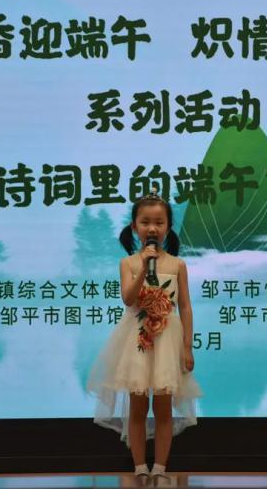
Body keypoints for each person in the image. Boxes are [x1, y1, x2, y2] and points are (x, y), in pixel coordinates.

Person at [86, 188, 202, 485]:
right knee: (137, 406)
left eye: (159, 222)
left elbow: (185, 307)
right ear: (134, 226)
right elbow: (128, 299)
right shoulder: (128, 263)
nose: (152, 228)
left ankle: (160, 467)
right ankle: (139, 466)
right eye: (146, 222)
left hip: (167, 341)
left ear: (168, 227)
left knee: (163, 407)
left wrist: (187, 346)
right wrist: (142, 268)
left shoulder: (178, 265)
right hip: (137, 340)